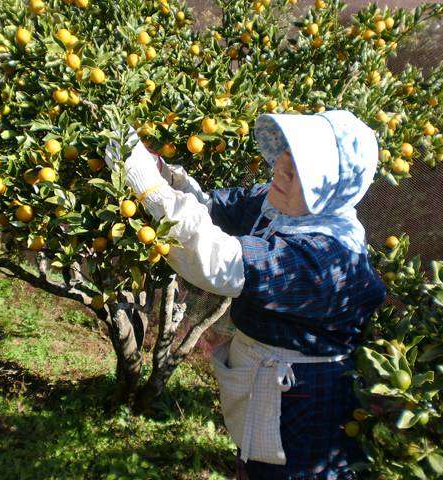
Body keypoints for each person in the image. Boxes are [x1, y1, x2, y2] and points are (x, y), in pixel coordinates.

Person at [106, 110, 387, 479]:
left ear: (330, 187)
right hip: (266, 390)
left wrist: (148, 188)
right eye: (285, 157)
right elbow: (213, 207)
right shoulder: (282, 205)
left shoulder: (326, 257)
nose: (280, 171)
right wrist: (161, 172)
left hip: (302, 406)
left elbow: (220, 263)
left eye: (298, 171)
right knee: (255, 463)